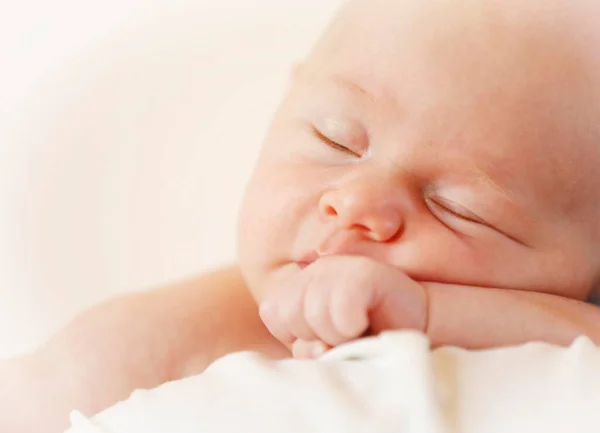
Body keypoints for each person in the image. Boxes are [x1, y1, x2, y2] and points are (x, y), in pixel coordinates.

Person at [3, 0, 600, 431]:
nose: (358, 203)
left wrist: (435, 314)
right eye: (335, 139)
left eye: (458, 208)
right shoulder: (144, 348)